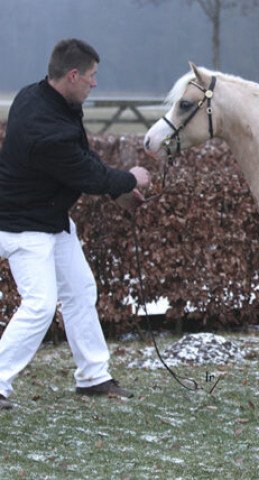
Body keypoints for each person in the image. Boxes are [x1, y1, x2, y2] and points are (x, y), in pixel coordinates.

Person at [0, 38, 150, 410]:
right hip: (22, 226)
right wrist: (130, 179)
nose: (94, 83)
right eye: (91, 76)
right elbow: (84, 170)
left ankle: (93, 377)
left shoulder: (42, 98)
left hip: (50, 218)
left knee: (80, 290)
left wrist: (114, 188)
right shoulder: (45, 127)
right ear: (72, 75)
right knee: (40, 305)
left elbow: (80, 159)